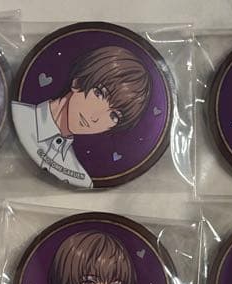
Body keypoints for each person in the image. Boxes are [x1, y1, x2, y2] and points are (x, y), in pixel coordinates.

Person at [11, 46, 152, 188]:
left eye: (114, 115)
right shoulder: (18, 115)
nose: (95, 117)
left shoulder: (81, 177)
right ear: (77, 83)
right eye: (99, 94)